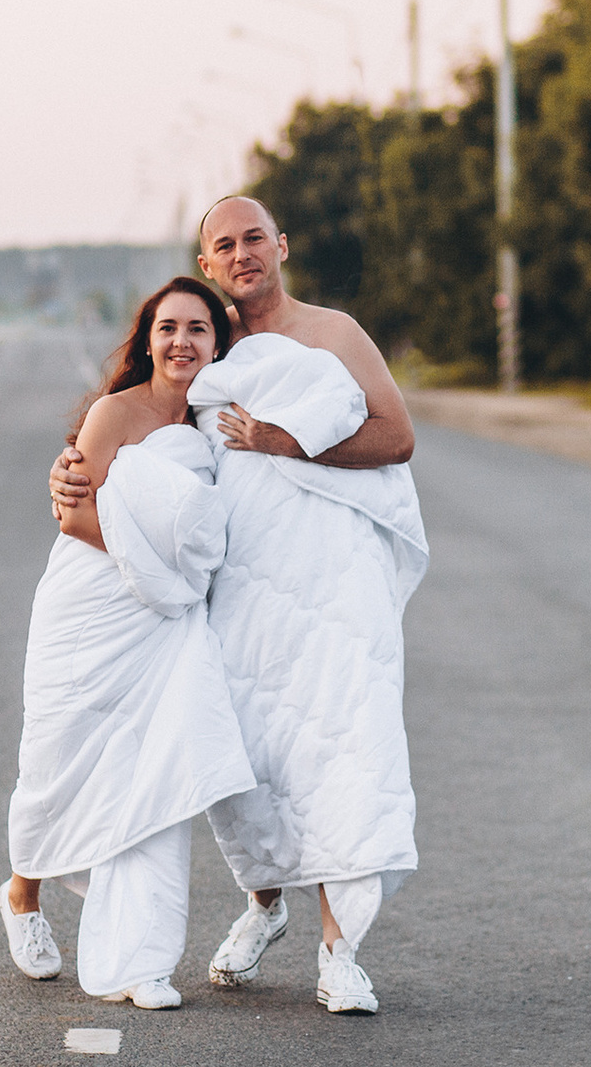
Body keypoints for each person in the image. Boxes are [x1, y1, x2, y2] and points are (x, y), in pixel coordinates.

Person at [52, 197, 426, 1014]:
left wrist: (288, 442)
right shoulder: (210, 352)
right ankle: (265, 905)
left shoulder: (334, 334)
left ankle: (340, 954)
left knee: (339, 752)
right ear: (208, 260)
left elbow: (395, 436)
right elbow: (146, 426)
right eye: (224, 243)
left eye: (255, 237)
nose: (242, 252)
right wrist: (70, 471)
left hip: (332, 583)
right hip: (238, 590)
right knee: (248, 759)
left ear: (281, 246)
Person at [2, 278, 255, 1009]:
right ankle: (23, 895)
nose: (182, 341)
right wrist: (165, 576)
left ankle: (139, 959)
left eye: (198, 329)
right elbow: (72, 517)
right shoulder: (115, 411)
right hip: (89, 608)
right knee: (56, 762)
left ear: (216, 342)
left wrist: (173, 583)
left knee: (148, 776)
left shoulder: (216, 423)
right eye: (169, 326)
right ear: (147, 337)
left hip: (161, 626)